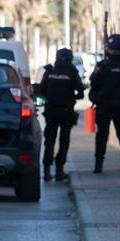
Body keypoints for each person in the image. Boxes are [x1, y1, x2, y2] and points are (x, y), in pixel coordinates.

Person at [89, 34, 120, 174]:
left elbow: (93, 81)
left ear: (109, 49)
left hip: (104, 105)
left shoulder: (103, 65)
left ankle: (98, 166)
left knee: (102, 136)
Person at [37, 48, 85, 182]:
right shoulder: (72, 72)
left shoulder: (49, 71)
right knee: (64, 141)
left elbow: (41, 90)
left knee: (49, 141)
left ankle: (46, 171)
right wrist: (71, 97)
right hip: (66, 112)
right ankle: (59, 171)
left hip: (51, 111)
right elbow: (81, 93)